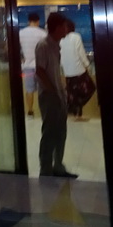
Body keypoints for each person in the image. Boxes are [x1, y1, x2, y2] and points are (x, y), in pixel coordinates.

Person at [35, 11, 77, 178]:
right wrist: (53, 91)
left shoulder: (55, 45)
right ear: (58, 27)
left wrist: (62, 91)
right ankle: (45, 168)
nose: (67, 30)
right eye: (65, 26)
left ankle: (58, 165)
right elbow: (40, 70)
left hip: (58, 94)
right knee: (50, 132)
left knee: (61, 132)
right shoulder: (43, 45)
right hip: (49, 95)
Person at [61, 19, 95, 120]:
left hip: (68, 72)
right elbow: (81, 53)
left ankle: (74, 113)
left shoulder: (60, 39)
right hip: (78, 70)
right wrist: (88, 65)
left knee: (73, 94)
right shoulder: (76, 37)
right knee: (90, 89)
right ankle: (76, 114)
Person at [18, 12, 45, 117]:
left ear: (28, 21)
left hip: (27, 66)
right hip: (40, 66)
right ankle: (42, 110)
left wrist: (21, 58)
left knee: (29, 89)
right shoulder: (42, 33)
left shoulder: (21, 33)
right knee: (42, 90)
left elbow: (11, 47)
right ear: (38, 21)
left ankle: (30, 110)